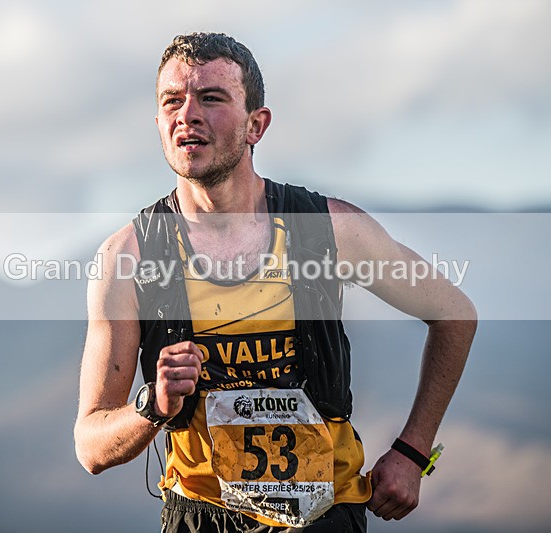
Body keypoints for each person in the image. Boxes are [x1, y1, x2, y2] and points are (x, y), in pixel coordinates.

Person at [74, 32, 477, 532]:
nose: (188, 114)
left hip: (327, 516)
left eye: (212, 98)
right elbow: (91, 446)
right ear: (158, 122)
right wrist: (152, 405)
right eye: (172, 101)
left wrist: (413, 452)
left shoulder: (330, 230)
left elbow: (454, 314)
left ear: (256, 125)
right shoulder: (127, 257)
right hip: (201, 520)